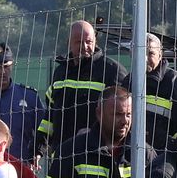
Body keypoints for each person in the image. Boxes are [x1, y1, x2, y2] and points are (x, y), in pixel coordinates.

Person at [34, 19, 131, 161]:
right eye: (79, 42)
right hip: (62, 157)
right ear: (69, 43)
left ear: (95, 42)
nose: (85, 47)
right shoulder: (61, 72)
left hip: (97, 157)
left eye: (89, 42)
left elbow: (124, 116)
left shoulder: (112, 71)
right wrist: (39, 148)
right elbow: (50, 116)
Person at [0, 42, 42, 162]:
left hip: (21, 169)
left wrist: (38, 152)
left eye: (6, 66)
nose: (2, 72)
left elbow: (44, 130)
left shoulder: (30, 97)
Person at [143, 33, 177, 151]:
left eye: (150, 53)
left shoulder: (176, 82)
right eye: (141, 53)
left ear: (160, 55)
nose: (145, 58)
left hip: (164, 157)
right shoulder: (129, 81)